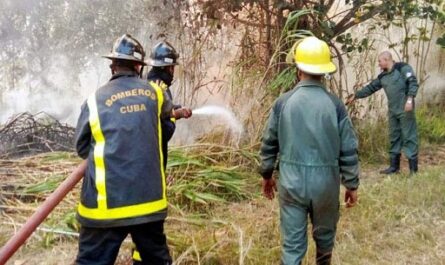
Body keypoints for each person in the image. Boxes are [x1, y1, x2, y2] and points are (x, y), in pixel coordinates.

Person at [74, 34, 192, 265]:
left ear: (112, 65)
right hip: (149, 204)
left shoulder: (93, 101)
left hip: (105, 207)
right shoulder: (156, 94)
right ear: (139, 66)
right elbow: (163, 125)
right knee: (156, 259)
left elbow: (81, 148)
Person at [259, 36, 360, 265]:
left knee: (292, 247)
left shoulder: (283, 102)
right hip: (326, 183)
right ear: (324, 71)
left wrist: (267, 175)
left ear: (298, 68)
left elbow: (268, 143)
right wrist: (351, 184)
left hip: (291, 183)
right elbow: (348, 149)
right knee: (325, 240)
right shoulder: (335, 105)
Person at [132, 41, 191, 264]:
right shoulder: (161, 88)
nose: (173, 71)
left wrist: (176, 112)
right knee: (151, 214)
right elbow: (163, 128)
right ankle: (145, 258)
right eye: (173, 67)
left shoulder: (147, 83)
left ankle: (140, 255)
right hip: (154, 159)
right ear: (168, 68)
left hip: (142, 158)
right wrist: (175, 118)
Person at [346, 51, 419, 174]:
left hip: (405, 108)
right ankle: (394, 167)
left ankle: (413, 170)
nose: (379, 64)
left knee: (409, 136)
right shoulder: (383, 76)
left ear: (386, 60)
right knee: (394, 136)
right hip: (393, 111)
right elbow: (371, 88)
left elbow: (412, 82)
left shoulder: (402, 68)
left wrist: (410, 99)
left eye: (380, 61)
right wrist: (356, 95)